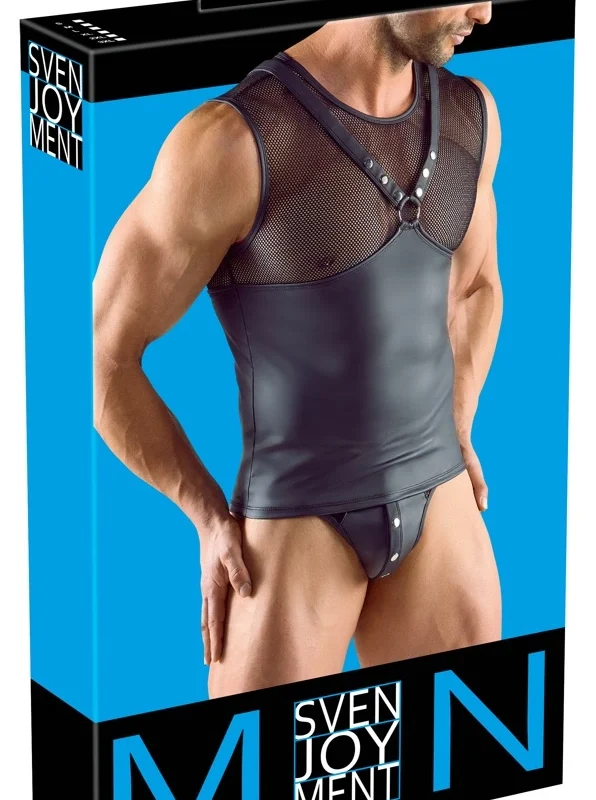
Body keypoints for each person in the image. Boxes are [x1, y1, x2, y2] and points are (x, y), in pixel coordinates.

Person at [93, 4, 503, 699]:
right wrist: (207, 517)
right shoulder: (230, 144)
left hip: (441, 507)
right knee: (258, 756)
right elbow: (102, 358)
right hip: (296, 525)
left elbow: (475, 289)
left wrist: (458, 422)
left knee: (465, 739)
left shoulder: (471, 116)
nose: (484, 13)